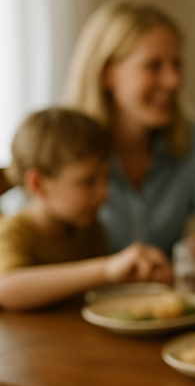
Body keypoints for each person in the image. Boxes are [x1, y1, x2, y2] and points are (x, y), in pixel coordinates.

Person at [64, 0, 195, 271]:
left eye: (177, 64)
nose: (174, 80)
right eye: (153, 65)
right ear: (107, 74)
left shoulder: (193, 139)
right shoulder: (62, 147)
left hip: (161, 295)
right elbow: (19, 230)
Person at [0, 108, 172, 311]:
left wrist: (139, 278)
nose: (104, 193)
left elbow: (95, 291)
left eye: (106, 178)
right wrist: (106, 269)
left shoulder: (90, 229)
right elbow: (6, 289)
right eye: (88, 181)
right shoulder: (13, 232)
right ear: (38, 183)